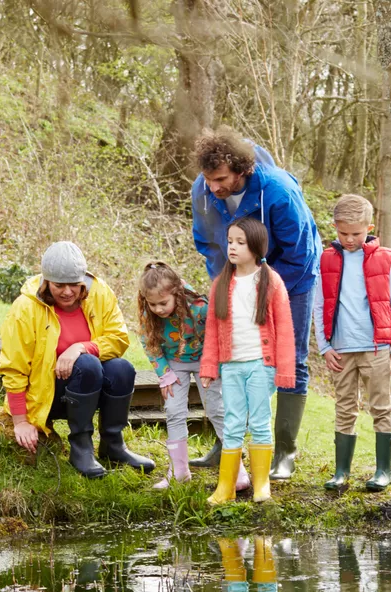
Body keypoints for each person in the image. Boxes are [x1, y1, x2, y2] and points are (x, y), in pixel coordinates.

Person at [190, 127, 320, 481]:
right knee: (231, 354)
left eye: (220, 179)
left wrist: (264, 290)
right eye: (207, 178)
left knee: (288, 358)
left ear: (241, 170)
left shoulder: (278, 191)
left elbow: (301, 252)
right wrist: (230, 286)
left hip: (293, 278)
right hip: (235, 279)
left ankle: (284, 452)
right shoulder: (202, 192)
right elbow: (207, 243)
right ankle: (227, 444)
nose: (213, 186)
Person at [0, 241, 155, 479]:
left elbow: (119, 339)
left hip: (89, 390)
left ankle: (113, 445)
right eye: (59, 285)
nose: (67, 292)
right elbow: (13, 367)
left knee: (122, 369)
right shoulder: (25, 308)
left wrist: (80, 347)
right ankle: (81, 448)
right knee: (89, 364)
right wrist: (20, 421)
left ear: (83, 280)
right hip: (49, 395)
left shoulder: (100, 293)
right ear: (46, 282)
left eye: (74, 284)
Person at [312, 194, 391, 492]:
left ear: (370, 227)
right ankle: (341, 472)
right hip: (340, 349)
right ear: (335, 228)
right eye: (343, 233)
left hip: (377, 347)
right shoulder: (326, 259)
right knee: (344, 407)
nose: (350, 239)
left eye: (356, 233)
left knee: (381, 406)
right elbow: (319, 305)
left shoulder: (382, 259)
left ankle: (383, 471)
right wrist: (325, 347)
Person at [199, 217, 296, 504]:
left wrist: (285, 371)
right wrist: (208, 366)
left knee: (260, 421)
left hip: (260, 365)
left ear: (256, 247)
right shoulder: (221, 284)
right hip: (231, 367)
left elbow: (286, 329)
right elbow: (212, 331)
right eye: (230, 241)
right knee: (232, 423)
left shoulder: (271, 282)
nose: (233, 247)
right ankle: (225, 487)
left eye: (240, 242)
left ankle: (261, 485)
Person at [137, 260, 248, 491]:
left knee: (217, 410)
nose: (158, 309)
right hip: (173, 363)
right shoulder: (149, 312)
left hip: (205, 360)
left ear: (176, 293)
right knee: (174, 411)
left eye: (163, 303)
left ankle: (237, 471)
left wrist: (212, 366)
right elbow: (148, 342)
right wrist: (163, 373)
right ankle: (179, 472)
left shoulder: (199, 308)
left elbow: (219, 334)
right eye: (153, 304)